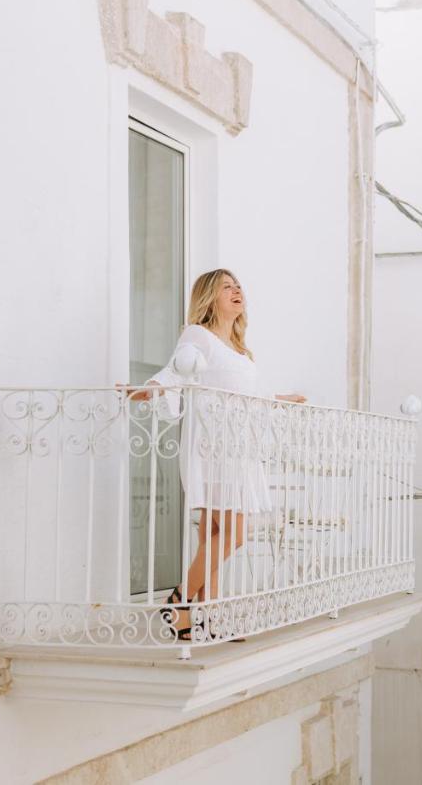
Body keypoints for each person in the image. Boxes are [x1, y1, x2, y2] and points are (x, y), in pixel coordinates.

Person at [131, 269, 306, 639]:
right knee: (235, 533)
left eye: (238, 285)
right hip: (214, 449)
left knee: (214, 532)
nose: (237, 290)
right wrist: (149, 388)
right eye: (227, 286)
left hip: (236, 449)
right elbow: (178, 368)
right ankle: (178, 603)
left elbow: (245, 395)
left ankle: (205, 618)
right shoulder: (198, 335)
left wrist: (281, 399)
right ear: (210, 296)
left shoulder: (239, 348)